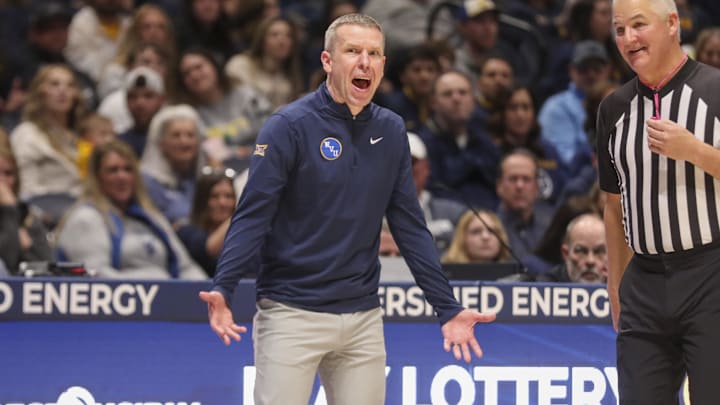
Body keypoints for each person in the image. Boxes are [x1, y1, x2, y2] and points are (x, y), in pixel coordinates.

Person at [199, 13, 496, 405]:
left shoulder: (391, 131)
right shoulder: (288, 126)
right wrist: (224, 286)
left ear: (383, 66)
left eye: (374, 53)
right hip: (291, 312)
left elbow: (410, 227)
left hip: (361, 318)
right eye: (352, 51)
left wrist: (447, 307)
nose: (364, 62)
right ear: (327, 61)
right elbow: (252, 216)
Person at [597, 0, 720, 402]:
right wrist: (617, 287)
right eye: (619, 30)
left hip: (711, 274)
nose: (628, 39)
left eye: (638, 25)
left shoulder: (715, 91)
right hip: (644, 284)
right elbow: (613, 206)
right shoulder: (612, 109)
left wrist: (695, 151)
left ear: (672, 24)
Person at [55, 141, 206, 280]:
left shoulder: (151, 217)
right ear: (97, 177)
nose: (122, 177)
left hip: (165, 302)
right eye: (113, 170)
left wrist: (208, 291)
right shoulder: (86, 218)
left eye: (128, 169)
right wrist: (155, 286)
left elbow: (185, 267)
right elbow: (95, 277)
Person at [0, 146, 52, 274]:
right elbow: (7, 262)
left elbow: (48, 269)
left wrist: (28, 248)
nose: (2, 181)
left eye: (8, 173)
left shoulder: (26, 214)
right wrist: (8, 208)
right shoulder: (12, 210)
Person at [176, 166, 237, 277]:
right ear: (202, 200)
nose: (222, 203)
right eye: (214, 196)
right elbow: (210, 248)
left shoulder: (244, 236)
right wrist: (244, 210)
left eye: (229, 196)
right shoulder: (186, 231)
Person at [535, 212, 607, 283]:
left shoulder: (617, 286)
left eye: (599, 251)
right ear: (565, 253)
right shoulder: (547, 287)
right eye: (581, 251)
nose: (590, 261)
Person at [442, 209, 511, 264]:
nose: (485, 237)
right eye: (476, 232)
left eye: (491, 231)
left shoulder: (516, 274)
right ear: (462, 238)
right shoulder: (443, 274)